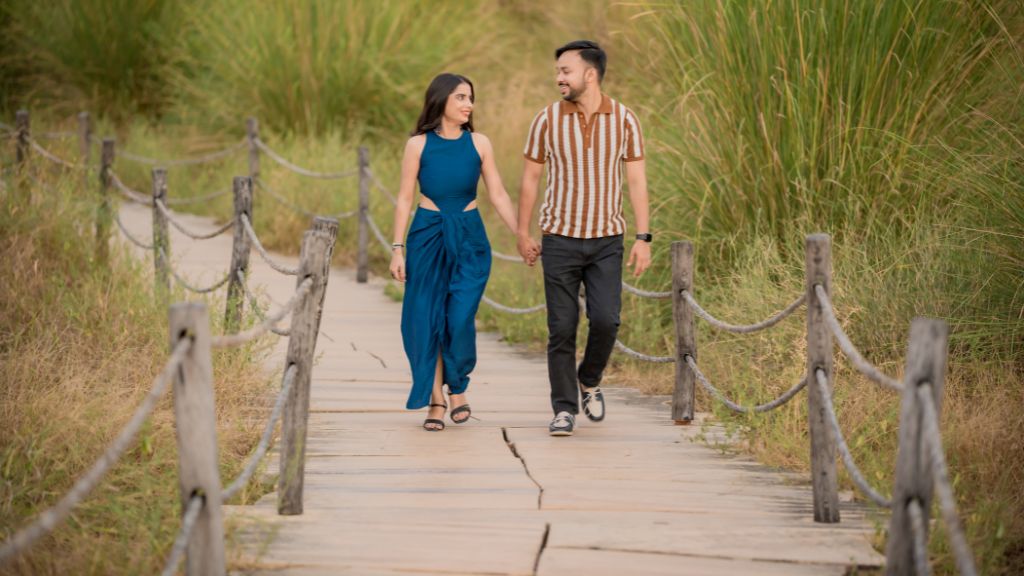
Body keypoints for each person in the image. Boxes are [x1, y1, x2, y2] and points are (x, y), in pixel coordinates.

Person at [517, 40, 652, 437]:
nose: (558, 77)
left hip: (607, 240)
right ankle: (563, 408)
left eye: (565, 71)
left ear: (589, 74)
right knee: (561, 327)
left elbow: (637, 180)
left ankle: (589, 379)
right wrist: (523, 234)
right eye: (557, 71)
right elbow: (530, 180)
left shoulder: (625, 119)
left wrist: (643, 237)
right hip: (558, 238)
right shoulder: (546, 119)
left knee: (607, 320)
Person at [390, 73, 519, 431]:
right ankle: (437, 399)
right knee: (425, 318)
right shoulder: (417, 145)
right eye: (461, 97)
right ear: (441, 99)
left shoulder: (479, 143)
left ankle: (458, 383)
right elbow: (403, 199)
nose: (468, 105)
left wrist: (522, 234)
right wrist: (398, 249)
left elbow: (498, 194)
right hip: (427, 236)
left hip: (469, 238)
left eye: (471, 98)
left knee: (459, 318)